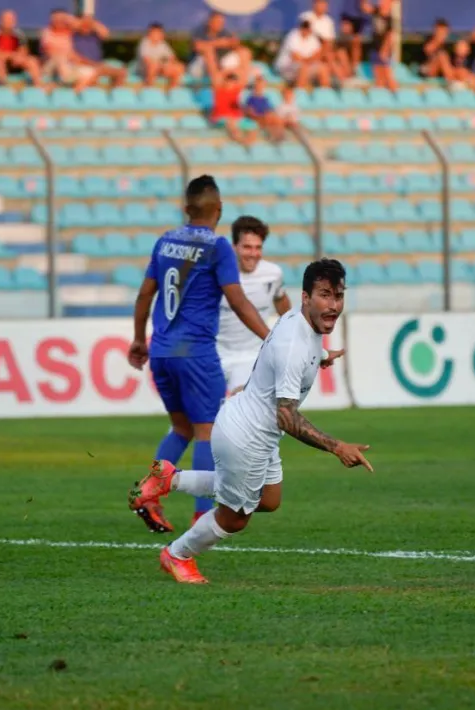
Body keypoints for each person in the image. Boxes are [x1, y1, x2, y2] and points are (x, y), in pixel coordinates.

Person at [129, 259, 370, 584]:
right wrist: (337, 446)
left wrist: (323, 357)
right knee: (235, 518)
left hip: (252, 426)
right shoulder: (293, 346)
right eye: (325, 295)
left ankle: (171, 480)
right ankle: (176, 555)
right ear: (305, 297)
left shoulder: (297, 321)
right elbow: (286, 416)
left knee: (269, 500)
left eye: (338, 296)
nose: (333, 305)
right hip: (246, 438)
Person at [126, 176, 271, 531]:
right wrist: (270, 338)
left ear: (186, 209)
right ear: (218, 210)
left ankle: (149, 494)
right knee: (208, 430)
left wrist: (138, 339)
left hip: (161, 351)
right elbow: (237, 300)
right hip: (195, 353)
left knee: (181, 427)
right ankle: (201, 514)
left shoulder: (165, 241)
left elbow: (145, 294)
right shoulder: (218, 247)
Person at [217, 217, 292, 396]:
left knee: (242, 403)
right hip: (215, 355)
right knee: (199, 421)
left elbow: (280, 299)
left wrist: (292, 328)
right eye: (247, 247)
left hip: (251, 357)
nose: (253, 254)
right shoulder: (217, 274)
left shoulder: (272, 274)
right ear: (234, 247)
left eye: (258, 248)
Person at [0, 10, 45, 88]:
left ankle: (38, 85)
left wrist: (18, 57)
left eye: (11, 19)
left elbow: (24, 50)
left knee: (32, 60)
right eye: (6, 19)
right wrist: (11, 56)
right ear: (1, 21)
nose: (8, 22)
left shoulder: (19, 33)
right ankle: (2, 86)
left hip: (14, 62)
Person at [275, 20, 329, 89]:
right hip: (284, 67)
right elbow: (295, 57)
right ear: (301, 28)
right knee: (303, 68)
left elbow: (317, 55)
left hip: (303, 65)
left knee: (323, 68)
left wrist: (308, 60)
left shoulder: (312, 37)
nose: (306, 31)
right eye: (304, 28)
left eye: (308, 28)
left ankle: (325, 95)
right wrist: (309, 60)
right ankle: (300, 94)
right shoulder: (293, 35)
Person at [137, 22, 184, 89]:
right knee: (153, 66)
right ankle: (149, 89)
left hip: (160, 69)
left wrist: (167, 65)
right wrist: (162, 65)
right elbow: (147, 60)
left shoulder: (162, 44)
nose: (158, 35)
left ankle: (173, 91)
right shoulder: (144, 43)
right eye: (155, 33)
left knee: (179, 67)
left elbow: (172, 58)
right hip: (144, 71)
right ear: (150, 33)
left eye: (159, 33)